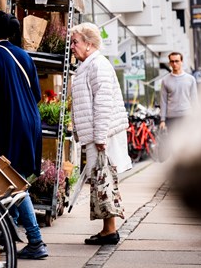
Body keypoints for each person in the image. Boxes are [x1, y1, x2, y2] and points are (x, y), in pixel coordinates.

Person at [0, 10, 48, 260]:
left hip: (8, 124)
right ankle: (7, 234)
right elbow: (36, 93)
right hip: (30, 121)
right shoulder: (24, 54)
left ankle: (35, 241)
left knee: (12, 181)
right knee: (16, 176)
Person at [69, 22, 132, 245]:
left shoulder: (98, 65)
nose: (72, 46)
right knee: (101, 180)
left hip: (103, 135)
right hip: (98, 134)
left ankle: (110, 230)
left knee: (104, 180)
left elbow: (103, 103)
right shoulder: (90, 65)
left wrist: (100, 137)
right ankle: (108, 229)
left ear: (89, 43)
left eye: (75, 42)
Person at [159, 52, 198, 132]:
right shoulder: (165, 80)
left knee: (188, 142)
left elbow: (194, 99)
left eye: (177, 61)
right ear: (169, 63)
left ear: (181, 62)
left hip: (187, 116)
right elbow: (163, 101)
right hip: (171, 118)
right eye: (172, 61)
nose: (174, 63)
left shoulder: (191, 79)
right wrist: (162, 120)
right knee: (173, 143)